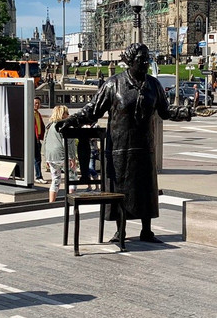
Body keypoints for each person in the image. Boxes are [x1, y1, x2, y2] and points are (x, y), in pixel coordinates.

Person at [58, 43, 192, 243]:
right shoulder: (113, 84)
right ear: (130, 61)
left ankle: (147, 231)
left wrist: (186, 112)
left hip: (145, 147)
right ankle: (120, 231)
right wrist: (71, 120)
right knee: (120, 189)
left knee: (146, 188)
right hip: (119, 149)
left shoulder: (153, 85)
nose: (146, 62)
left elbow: (165, 111)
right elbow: (92, 110)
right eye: (141, 59)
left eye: (147, 58)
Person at [41, 105, 76, 204]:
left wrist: (46, 157)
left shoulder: (49, 126)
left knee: (55, 180)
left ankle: (51, 202)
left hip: (51, 156)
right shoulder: (64, 125)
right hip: (63, 155)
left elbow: (45, 141)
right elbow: (68, 142)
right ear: (62, 114)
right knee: (72, 178)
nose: (68, 115)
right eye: (66, 113)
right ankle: (71, 201)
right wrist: (72, 157)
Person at [33, 97, 46, 183]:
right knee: (37, 158)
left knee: (37, 158)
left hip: (38, 139)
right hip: (32, 139)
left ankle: (38, 176)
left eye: (38, 103)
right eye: (35, 103)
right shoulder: (30, 114)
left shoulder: (38, 114)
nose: (37, 105)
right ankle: (38, 176)